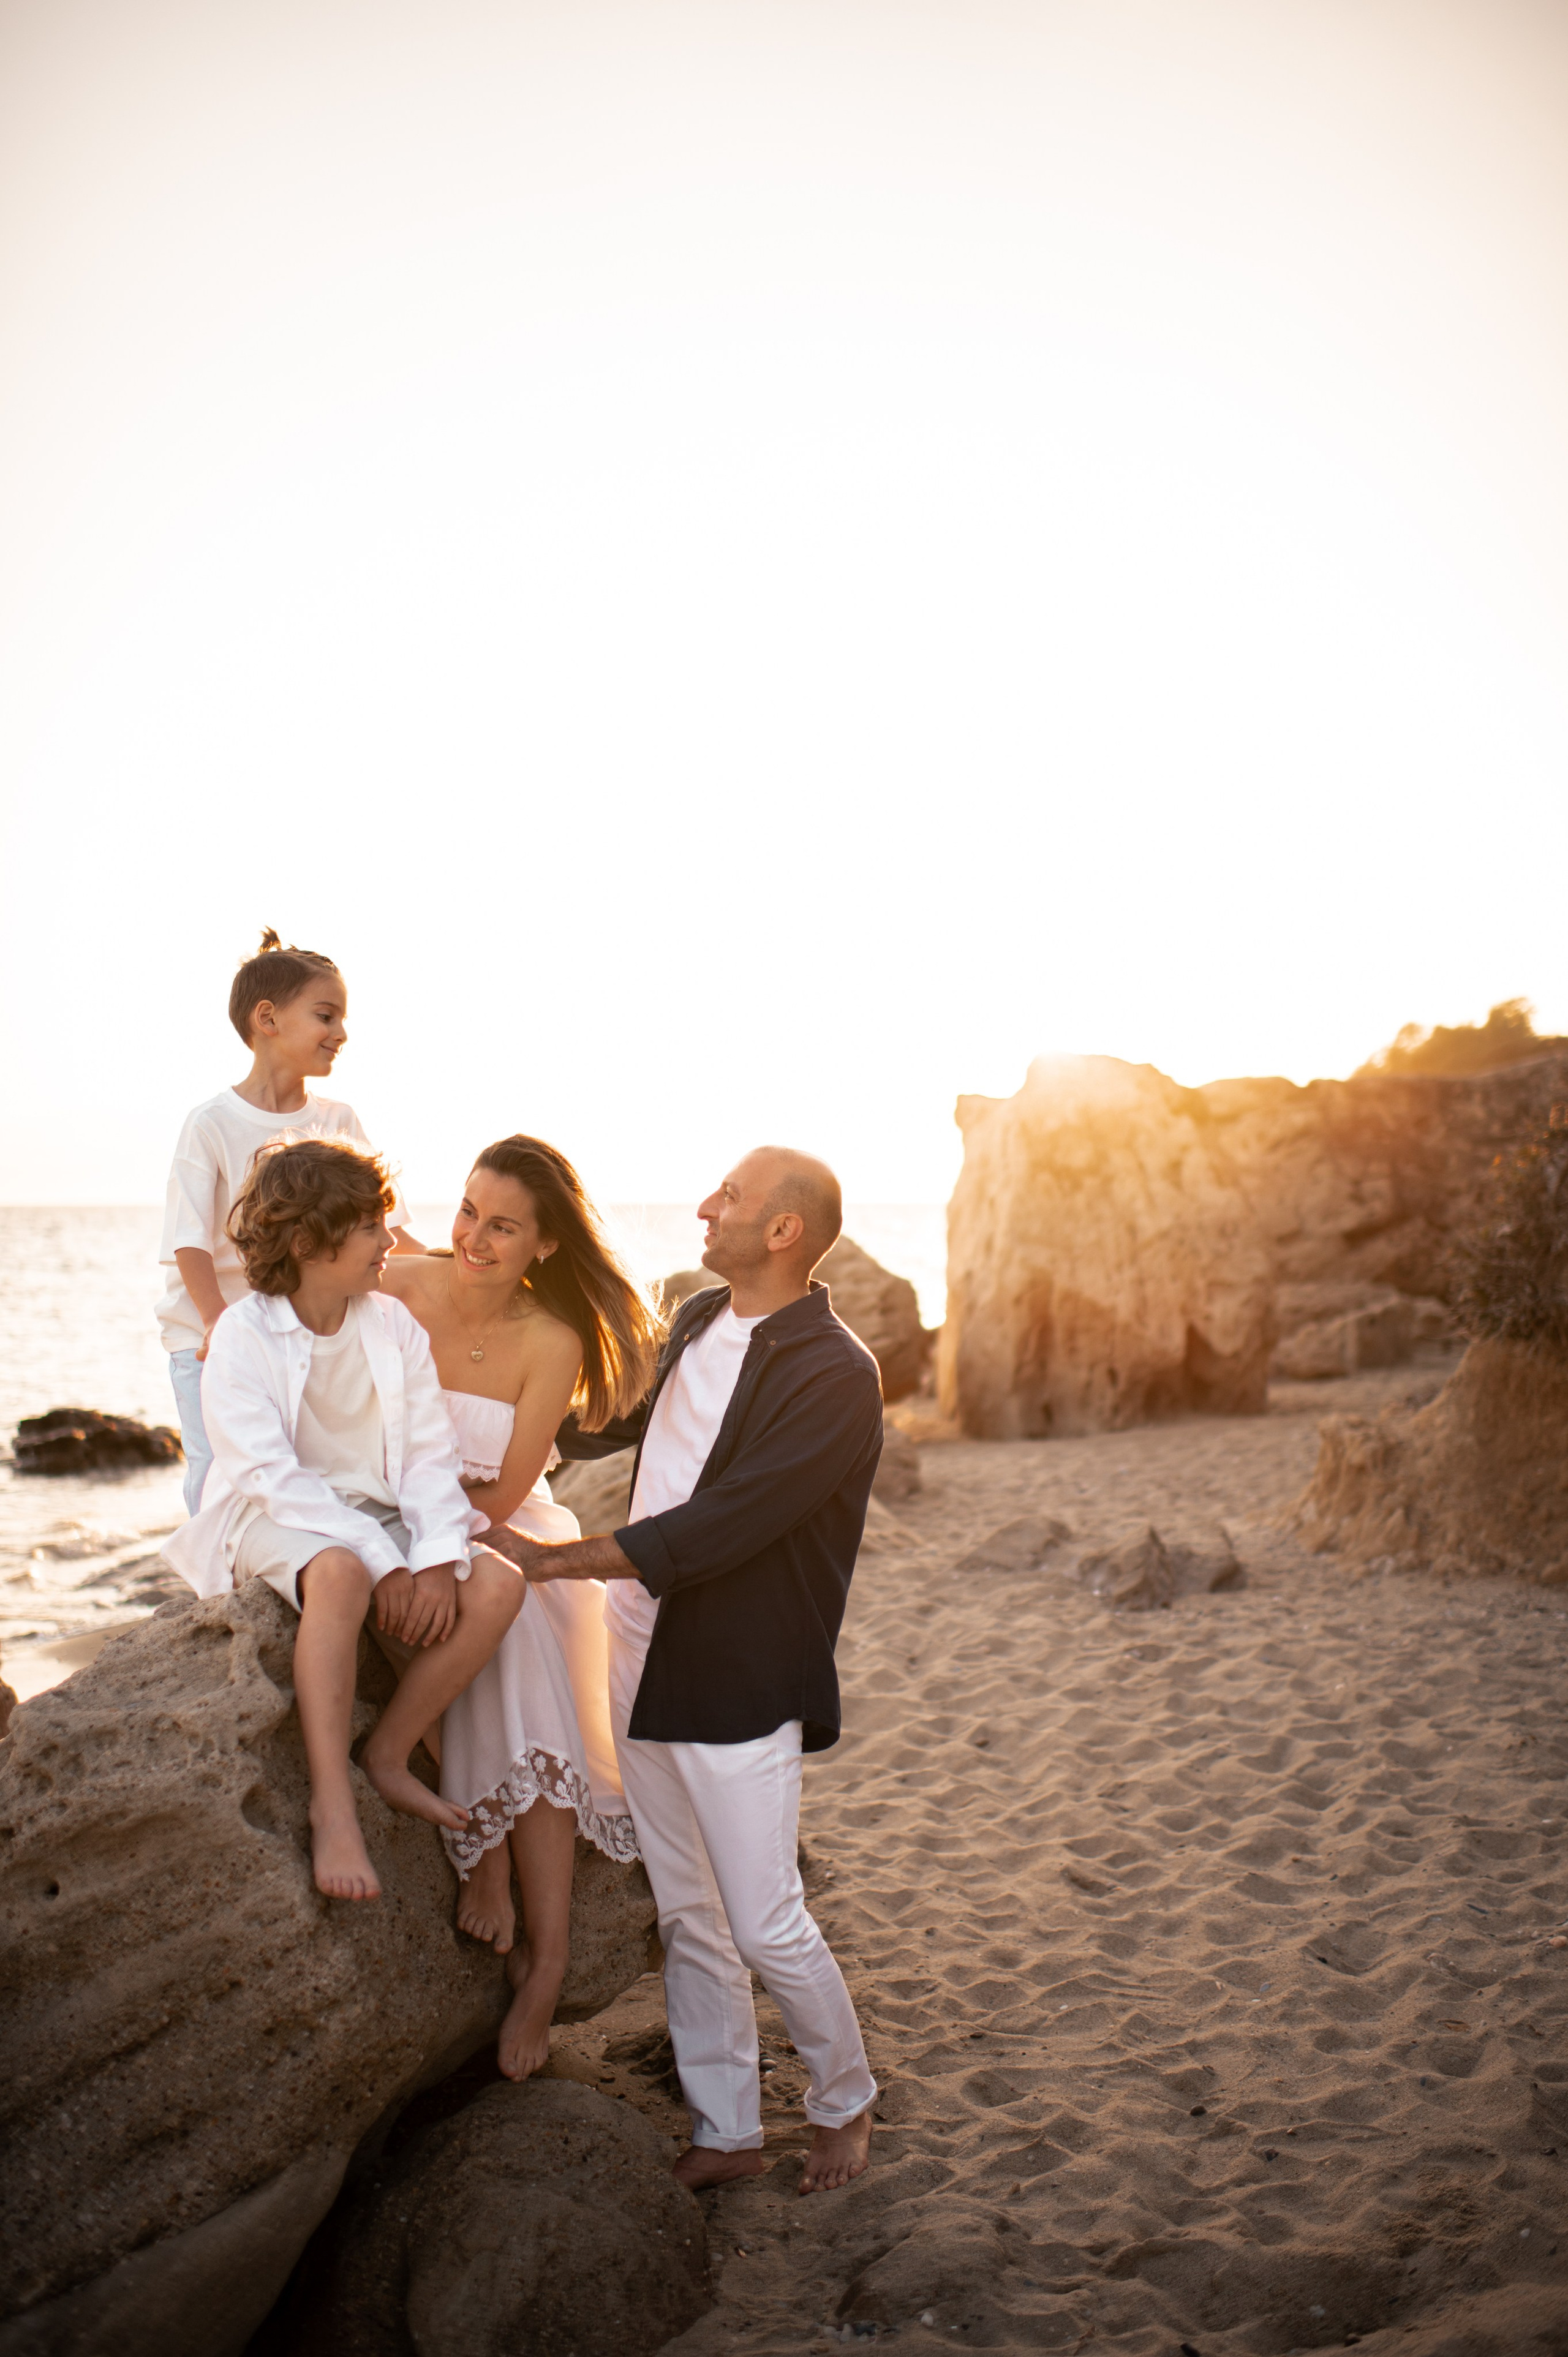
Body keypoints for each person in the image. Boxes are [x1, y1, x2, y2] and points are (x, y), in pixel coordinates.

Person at [484, 1146, 883, 2197]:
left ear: (785, 1230)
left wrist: (552, 1560)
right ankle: (729, 2126)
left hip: (737, 1674)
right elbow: (626, 1422)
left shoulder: (836, 1370)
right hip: (634, 1650)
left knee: (766, 1918)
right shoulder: (705, 1318)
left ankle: (845, 2101)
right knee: (687, 1911)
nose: (708, 1207)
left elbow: (722, 1525)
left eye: (733, 1198)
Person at [162, 1137, 524, 1903]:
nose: (391, 1240)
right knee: (340, 1571)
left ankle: (387, 1754)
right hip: (272, 1515)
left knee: (495, 1585)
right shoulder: (242, 1335)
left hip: (380, 1511)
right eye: (370, 1225)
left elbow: (429, 1455)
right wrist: (381, 1559)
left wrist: (430, 1556)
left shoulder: (389, 1323)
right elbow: (270, 1475)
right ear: (307, 1242)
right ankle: (333, 1805)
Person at [382, 1136, 662, 2079]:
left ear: (545, 1246)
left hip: (496, 1524)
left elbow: (499, 1500)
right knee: (490, 1630)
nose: (474, 1237)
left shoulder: (554, 1341)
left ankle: (546, 1961)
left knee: (522, 1638)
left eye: (503, 1227)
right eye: (468, 1211)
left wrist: (442, 1542)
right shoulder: (398, 1285)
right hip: (394, 1515)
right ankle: (484, 1854)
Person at [157, 930, 424, 1515]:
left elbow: (392, 1231)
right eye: (326, 1015)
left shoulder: (338, 1120)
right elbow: (189, 1242)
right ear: (267, 1019)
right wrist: (216, 1325)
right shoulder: (211, 1124)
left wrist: (454, 1268)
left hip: (306, 1330)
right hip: (213, 1335)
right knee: (219, 1469)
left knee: (300, 1463)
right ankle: (220, 1593)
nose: (342, 1033)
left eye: (343, 1019)